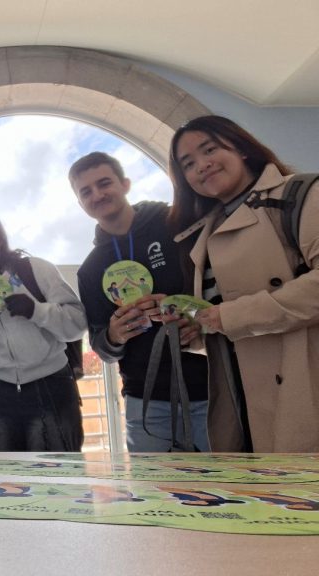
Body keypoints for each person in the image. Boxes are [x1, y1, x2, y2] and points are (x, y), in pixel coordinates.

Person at [168, 115, 319, 453]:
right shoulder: (204, 234)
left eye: (209, 149)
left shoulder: (301, 195)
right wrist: (199, 332)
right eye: (188, 163)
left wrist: (230, 316)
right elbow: (232, 327)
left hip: (304, 390)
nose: (202, 165)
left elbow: (238, 316)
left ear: (241, 148)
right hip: (241, 403)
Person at [70, 152, 209, 452]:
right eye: (86, 191)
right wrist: (114, 334)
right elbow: (101, 346)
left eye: (104, 183)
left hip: (210, 387)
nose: (97, 195)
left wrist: (192, 316)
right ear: (80, 204)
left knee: (227, 480)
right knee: (153, 484)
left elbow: (222, 291)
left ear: (125, 184)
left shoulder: (176, 225)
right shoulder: (91, 270)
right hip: (145, 400)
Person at [0, 208, 87, 451]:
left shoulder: (35, 270)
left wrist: (36, 311)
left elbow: (77, 323)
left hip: (52, 385)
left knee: (58, 471)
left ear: (0, 235)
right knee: (2, 473)